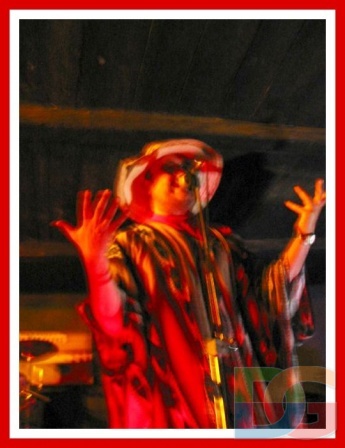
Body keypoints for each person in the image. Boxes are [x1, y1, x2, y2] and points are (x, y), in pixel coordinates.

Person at [52, 139, 326, 429]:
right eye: (169, 168)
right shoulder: (131, 244)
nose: (183, 174)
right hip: (177, 392)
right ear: (146, 182)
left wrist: (303, 233)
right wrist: (95, 262)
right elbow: (115, 324)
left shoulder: (222, 244)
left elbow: (272, 297)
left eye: (188, 168)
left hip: (238, 388)